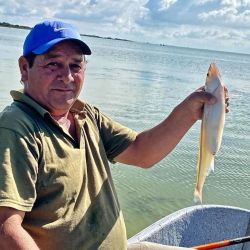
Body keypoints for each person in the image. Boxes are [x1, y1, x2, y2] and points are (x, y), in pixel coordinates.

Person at [0, 20, 229, 250]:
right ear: (24, 68)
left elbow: (142, 152)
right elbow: (6, 228)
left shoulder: (85, 114)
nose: (67, 76)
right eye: (53, 64)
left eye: (76, 65)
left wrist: (189, 111)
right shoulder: (16, 128)